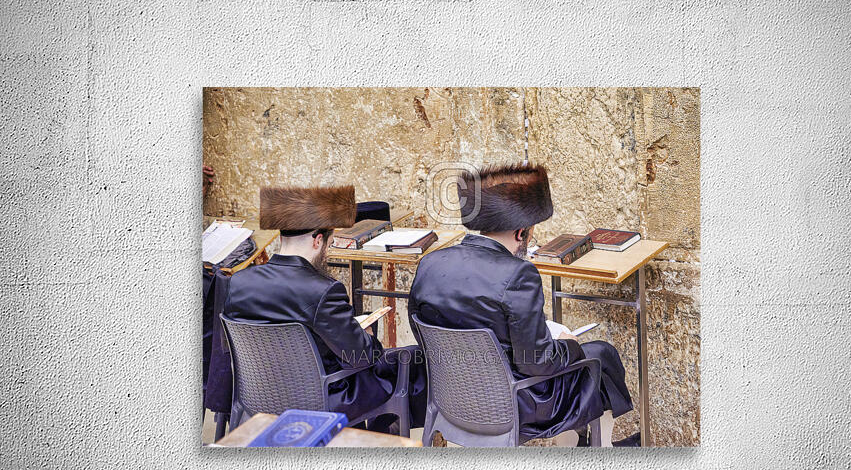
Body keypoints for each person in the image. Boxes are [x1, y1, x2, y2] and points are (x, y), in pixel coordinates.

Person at [408, 163, 632, 445]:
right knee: (599, 354)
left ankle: (580, 443)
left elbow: (423, 334)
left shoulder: (430, 263)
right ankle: (601, 447)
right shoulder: (518, 274)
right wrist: (568, 344)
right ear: (521, 232)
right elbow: (536, 362)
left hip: (451, 400)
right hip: (514, 405)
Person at [224, 185, 426, 432]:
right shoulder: (323, 290)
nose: (327, 251)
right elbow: (362, 357)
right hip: (321, 400)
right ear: (318, 240)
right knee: (408, 363)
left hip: (259, 397)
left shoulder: (239, 282)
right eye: (329, 243)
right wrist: (369, 335)